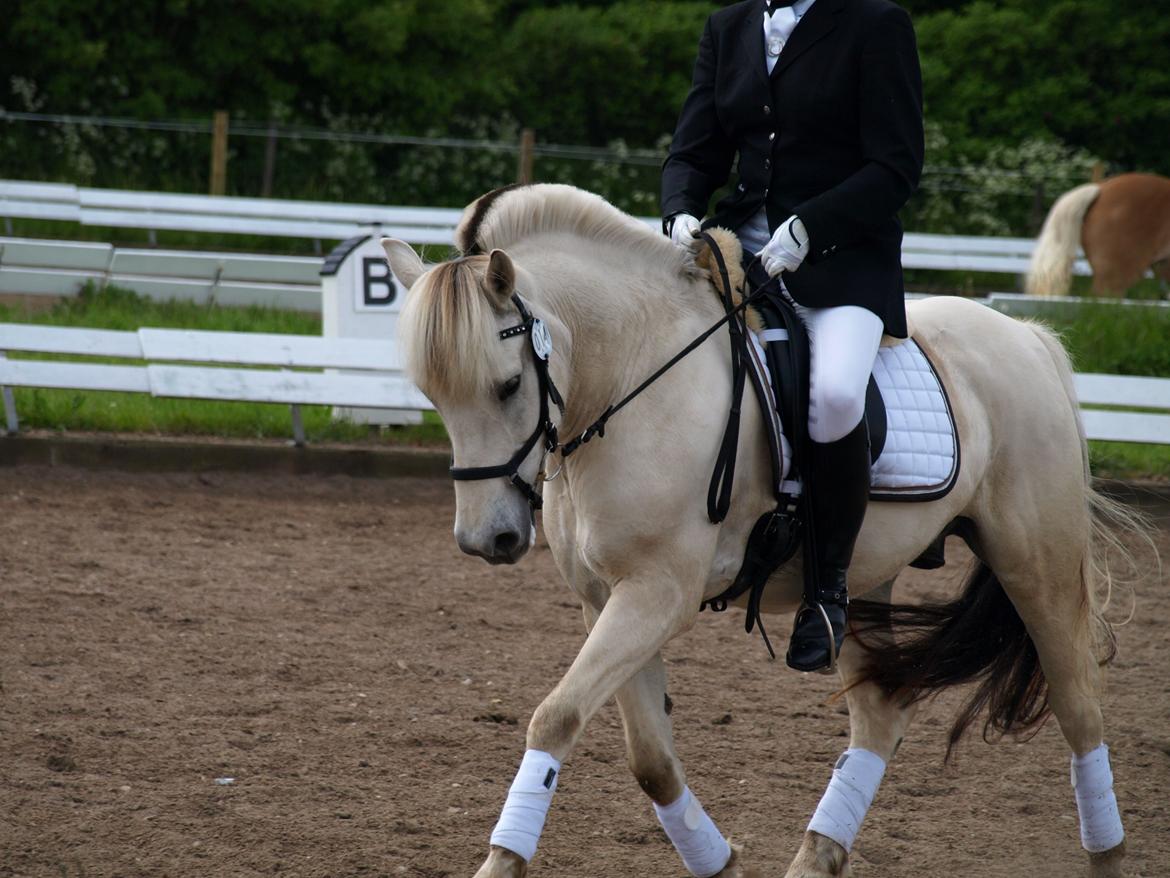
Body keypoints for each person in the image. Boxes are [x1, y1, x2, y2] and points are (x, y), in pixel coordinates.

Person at [661, 0, 924, 672]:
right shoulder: (728, 25)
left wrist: (811, 227)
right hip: (735, 256)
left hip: (841, 263)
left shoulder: (874, 24)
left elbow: (895, 165)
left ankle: (828, 589)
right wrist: (681, 210)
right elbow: (695, 147)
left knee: (835, 394)